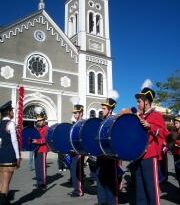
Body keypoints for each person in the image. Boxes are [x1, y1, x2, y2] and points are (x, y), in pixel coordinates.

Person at [134, 87, 168, 205]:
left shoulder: (156, 115)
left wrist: (150, 126)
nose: (137, 103)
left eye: (139, 101)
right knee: (140, 188)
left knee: (151, 188)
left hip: (150, 155)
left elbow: (164, 133)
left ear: (147, 101)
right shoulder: (139, 116)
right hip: (138, 156)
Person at [96, 98, 119, 205]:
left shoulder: (114, 121)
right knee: (100, 180)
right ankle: (102, 202)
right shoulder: (102, 121)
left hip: (110, 157)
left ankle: (111, 202)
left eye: (104, 108)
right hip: (100, 156)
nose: (102, 110)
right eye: (102, 108)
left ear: (110, 110)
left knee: (110, 182)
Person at [0, 101, 20, 205]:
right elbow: (14, 141)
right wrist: (18, 156)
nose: (13, 112)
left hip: (1, 154)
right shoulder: (10, 124)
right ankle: (4, 202)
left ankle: (4, 200)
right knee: (6, 182)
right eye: (12, 110)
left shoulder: (0, 124)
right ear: (8, 112)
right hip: (9, 154)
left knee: (2, 180)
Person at [68, 104, 84, 197]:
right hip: (73, 151)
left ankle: (79, 190)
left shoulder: (82, 123)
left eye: (76, 113)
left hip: (79, 152)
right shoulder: (75, 124)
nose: (74, 114)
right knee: (74, 170)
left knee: (78, 171)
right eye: (74, 113)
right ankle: (76, 188)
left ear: (81, 113)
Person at [32, 114, 48, 191]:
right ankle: (39, 182)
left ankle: (43, 184)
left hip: (43, 149)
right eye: (38, 121)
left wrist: (37, 141)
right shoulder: (37, 129)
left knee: (42, 167)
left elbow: (46, 139)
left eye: (40, 120)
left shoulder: (46, 128)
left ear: (43, 120)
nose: (39, 122)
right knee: (37, 167)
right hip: (36, 149)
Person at [167, 116, 180, 187]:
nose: (176, 125)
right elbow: (170, 141)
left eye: (177, 123)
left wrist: (176, 143)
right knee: (177, 172)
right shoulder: (174, 132)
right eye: (175, 123)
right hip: (176, 154)